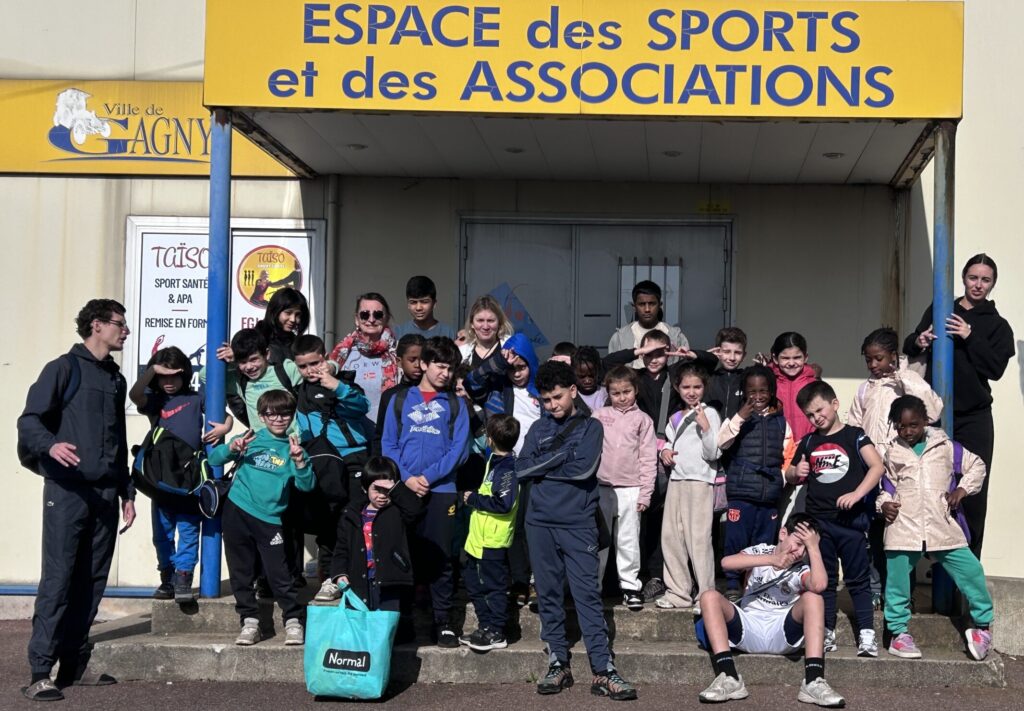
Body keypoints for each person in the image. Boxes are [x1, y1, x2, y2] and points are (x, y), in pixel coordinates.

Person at [17, 299, 137, 701]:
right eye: (120, 324)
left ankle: (73, 664)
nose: (126, 331)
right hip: (67, 490)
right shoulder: (63, 368)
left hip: (105, 491)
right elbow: (30, 419)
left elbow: (118, 441)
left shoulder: (115, 379)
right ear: (97, 326)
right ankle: (40, 672)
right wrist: (50, 447)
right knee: (60, 577)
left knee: (92, 579)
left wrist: (127, 492)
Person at [516, 361, 637, 701]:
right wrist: (559, 458)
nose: (552, 405)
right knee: (549, 594)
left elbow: (582, 470)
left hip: (578, 524)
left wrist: (545, 464)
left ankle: (603, 670)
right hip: (538, 522)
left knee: (587, 597)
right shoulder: (538, 429)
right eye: (545, 400)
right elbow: (521, 469)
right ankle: (558, 662)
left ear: (573, 391)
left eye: (557, 397)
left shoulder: (591, 427)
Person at [903, 253, 1015, 556]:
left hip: (974, 417)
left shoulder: (998, 326)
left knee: (972, 493)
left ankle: (967, 576)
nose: (978, 285)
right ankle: (925, 567)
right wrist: (921, 340)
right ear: (964, 278)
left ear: (993, 284)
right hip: (934, 416)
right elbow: (909, 343)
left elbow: (995, 369)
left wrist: (970, 335)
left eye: (985, 280)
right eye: (973, 278)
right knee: (925, 488)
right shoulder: (942, 309)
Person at [878, 396, 994, 661]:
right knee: (897, 582)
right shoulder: (892, 452)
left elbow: (977, 465)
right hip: (903, 527)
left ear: (926, 421)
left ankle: (983, 628)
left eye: (913, 425)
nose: (907, 432)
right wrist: (884, 505)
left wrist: (963, 489)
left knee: (972, 571)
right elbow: (885, 487)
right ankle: (898, 634)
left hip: (942, 525)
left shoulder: (947, 447)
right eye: (901, 427)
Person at [696, 515, 845, 708]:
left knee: (813, 598)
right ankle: (729, 677)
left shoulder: (802, 568)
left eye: (805, 548)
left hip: (781, 632)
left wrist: (814, 547)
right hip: (747, 627)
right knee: (709, 596)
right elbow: (726, 563)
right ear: (783, 533)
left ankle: (813, 681)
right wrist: (772, 559)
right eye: (798, 543)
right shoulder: (760, 551)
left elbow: (819, 585)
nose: (800, 552)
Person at [381, 336, 470, 647]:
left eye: (450, 368)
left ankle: (443, 621)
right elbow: (388, 444)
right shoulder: (401, 399)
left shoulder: (456, 404)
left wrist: (428, 477)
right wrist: (406, 478)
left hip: (442, 490)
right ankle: (403, 620)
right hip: (405, 489)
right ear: (425, 364)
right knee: (404, 555)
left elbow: (459, 451)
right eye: (440, 366)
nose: (445, 373)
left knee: (442, 557)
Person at [787, 380, 884, 657]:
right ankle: (826, 631)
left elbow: (877, 467)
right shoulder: (808, 441)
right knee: (825, 580)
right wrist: (797, 472)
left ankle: (866, 633)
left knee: (858, 579)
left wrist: (856, 494)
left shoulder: (855, 435)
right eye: (810, 415)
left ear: (835, 404)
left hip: (851, 523)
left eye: (820, 410)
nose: (817, 418)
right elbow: (790, 475)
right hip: (819, 525)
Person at [209, 390, 313, 647]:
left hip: (271, 518)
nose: (278, 419)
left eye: (284, 413)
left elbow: (307, 486)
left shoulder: (294, 447)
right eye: (271, 413)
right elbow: (214, 458)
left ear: (292, 416)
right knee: (240, 571)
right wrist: (232, 448)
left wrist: (299, 462)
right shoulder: (250, 439)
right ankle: (249, 622)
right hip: (237, 511)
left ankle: (293, 621)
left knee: (280, 574)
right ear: (262, 416)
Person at [848, 327, 943, 607]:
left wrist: (901, 375)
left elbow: (934, 411)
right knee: (874, 534)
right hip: (871, 472)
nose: (874, 365)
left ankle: (903, 592)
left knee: (902, 536)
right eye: (869, 360)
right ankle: (876, 588)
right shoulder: (865, 388)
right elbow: (855, 425)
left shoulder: (908, 380)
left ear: (893, 355)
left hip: (901, 471)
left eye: (879, 359)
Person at [129, 346, 232, 602]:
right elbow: (135, 393)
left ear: (185, 374)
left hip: (189, 479)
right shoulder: (156, 402)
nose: (169, 382)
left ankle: (184, 578)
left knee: (188, 530)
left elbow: (225, 417)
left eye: (174, 376)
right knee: (162, 533)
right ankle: (167, 578)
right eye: (163, 377)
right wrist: (152, 369)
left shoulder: (197, 398)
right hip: (161, 480)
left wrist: (225, 428)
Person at [463, 333, 542, 607]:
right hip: (505, 466)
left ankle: (535, 582)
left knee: (534, 528)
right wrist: (498, 361)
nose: (516, 373)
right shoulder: (497, 389)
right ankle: (518, 581)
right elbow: (470, 382)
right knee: (514, 527)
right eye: (511, 368)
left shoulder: (542, 391)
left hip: (536, 468)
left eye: (522, 367)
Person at [292, 334, 371, 579]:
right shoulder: (301, 393)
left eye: (314, 363)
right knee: (327, 519)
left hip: (354, 458)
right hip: (325, 462)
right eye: (303, 366)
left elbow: (362, 406)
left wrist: (335, 386)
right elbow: (303, 428)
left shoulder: (343, 383)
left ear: (325, 359)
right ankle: (329, 576)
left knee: (354, 516)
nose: (309, 370)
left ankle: (355, 571)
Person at [314, 457, 425, 626]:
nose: (382, 495)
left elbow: (416, 509)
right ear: (365, 488)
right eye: (377, 489)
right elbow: (342, 548)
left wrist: (395, 488)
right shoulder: (351, 514)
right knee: (359, 627)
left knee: (387, 627)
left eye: (386, 489)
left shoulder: (397, 512)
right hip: (358, 581)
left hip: (389, 581)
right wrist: (339, 573)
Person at [718, 364, 792, 602]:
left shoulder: (781, 422)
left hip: (769, 494)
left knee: (763, 543)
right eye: (752, 391)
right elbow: (721, 443)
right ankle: (732, 583)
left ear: (771, 391)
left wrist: (780, 478)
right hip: (741, 492)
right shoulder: (738, 418)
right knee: (736, 540)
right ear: (744, 392)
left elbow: (788, 454)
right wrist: (740, 417)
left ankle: (755, 584)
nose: (758, 396)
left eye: (763, 391)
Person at [657, 364, 721, 611]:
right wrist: (664, 451)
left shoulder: (711, 413)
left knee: (699, 540)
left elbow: (713, 452)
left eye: (697, 386)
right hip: (676, 481)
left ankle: (706, 595)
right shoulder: (675, 416)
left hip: (700, 482)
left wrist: (705, 427)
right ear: (677, 387)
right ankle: (678, 593)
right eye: (686, 387)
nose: (692, 392)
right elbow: (669, 444)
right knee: (671, 538)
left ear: (705, 388)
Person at [593, 366, 657, 610]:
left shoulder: (643, 420)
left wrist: (645, 492)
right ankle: (594, 587)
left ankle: (630, 586)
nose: (621, 397)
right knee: (599, 540)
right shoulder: (599, 415)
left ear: (636, 390)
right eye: (616, 393)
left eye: (626, 392)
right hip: (601, 487)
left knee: (628, 540)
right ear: (608, 393)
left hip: (631, 488)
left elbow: (648, 458)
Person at [460, 414, 521, 652]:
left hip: (492, 541)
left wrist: (473, 498)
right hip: (478, 538)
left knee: (493, 587)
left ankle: (497, 630)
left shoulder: (507, 467)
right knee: (474, 584)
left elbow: (503, 503)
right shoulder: (493, 460)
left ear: (492, 438)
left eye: (487, 433)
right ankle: (485, 626)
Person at [205, 328, 303, 433]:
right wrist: (231, 361)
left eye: (253, 359)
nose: (249, 367)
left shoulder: (286, 370)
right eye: (242, 362)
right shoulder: (240, 381)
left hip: (292, 444)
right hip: (261, 446)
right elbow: (205, 376)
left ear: (267, 354)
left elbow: (314, 374)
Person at [330, 292, 401, 429]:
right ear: (357, 319)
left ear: (386, 319)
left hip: (387, 431)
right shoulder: (342, 353)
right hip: (352, 434)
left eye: (378, 315)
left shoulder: (398, 352)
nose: (371, 319)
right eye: (365, 314)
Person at [607, 280, 688, 368]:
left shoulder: (676, 337)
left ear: (660, 305)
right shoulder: (620, 338)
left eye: (652, 304)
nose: (647, 309)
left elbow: (685, 371)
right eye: (642, 304)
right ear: (634, 307)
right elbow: (612, 370)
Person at [372, 333, 425, 457]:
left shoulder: (436, 393)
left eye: (422, 360)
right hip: (397, 463)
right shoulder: (390, 396)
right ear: (399, 361)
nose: (418, 365)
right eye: (412, 359)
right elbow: (380, 435)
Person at [699, 327, 749, 420]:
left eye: (738, 353)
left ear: (744, 356)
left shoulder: (747, 378)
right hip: (710, 432)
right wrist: (706, 358)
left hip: (739, 432)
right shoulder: (707, 377)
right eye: (727, 352)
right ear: (717, 351)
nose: (732, 357)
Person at [256, 287, 310, 365]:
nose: (293, 319)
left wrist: (332, 366)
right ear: (275, 311)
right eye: (288, 313)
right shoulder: (255, 339)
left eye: (297, 314)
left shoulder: (297, 343)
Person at [393, 275, 457, 340]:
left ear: (434, 303)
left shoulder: (449, 333)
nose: (418, 308)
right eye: (413, 302)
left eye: (424, 302)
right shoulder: (398, 333)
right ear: (408, 305)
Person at [459, 295, 514, 366]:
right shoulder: (462, 353)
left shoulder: (511, 347)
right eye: (480, 320)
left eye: (490, 321)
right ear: (472, 323)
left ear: (499, 323)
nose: (485, 326)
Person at [573, 346, 607, 412]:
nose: (587, 381)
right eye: (582, 377)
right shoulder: (571, 397)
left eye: (591, 376)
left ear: (598, 371)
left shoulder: (606, 394)